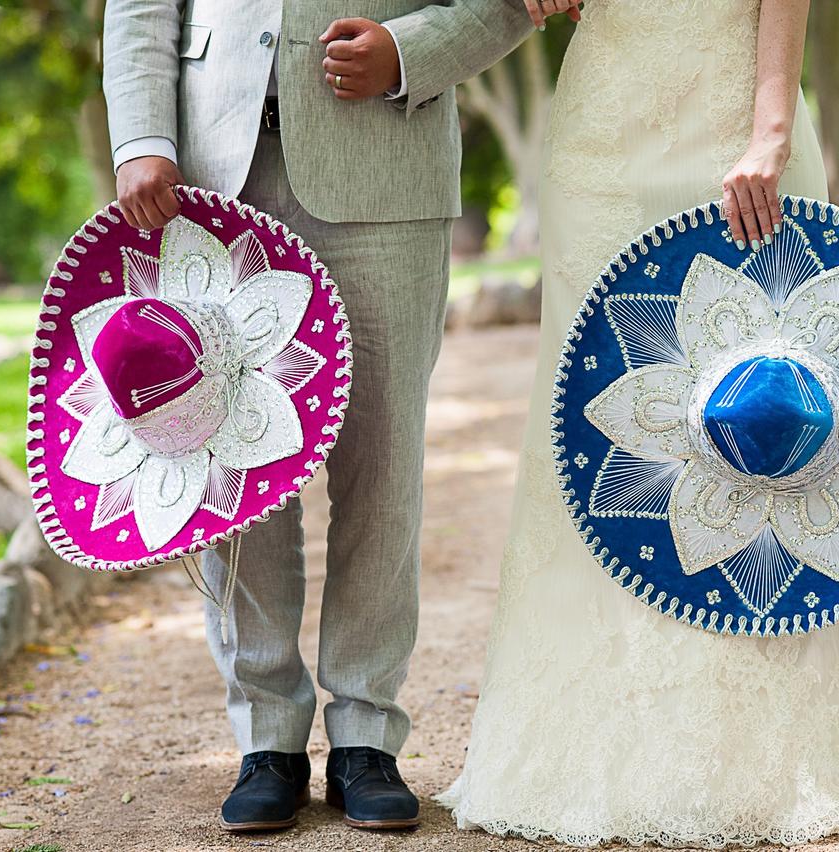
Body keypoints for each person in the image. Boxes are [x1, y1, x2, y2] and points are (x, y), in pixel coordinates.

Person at [439, 0, 839, 845]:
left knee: (768, 413)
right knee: (600, 430)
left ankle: (783, 757)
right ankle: (594, 746)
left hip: (739, 108)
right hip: (605, 125)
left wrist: (771, 124)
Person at [102, 0, 533, 833]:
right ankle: (266, 735)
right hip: (210, 175)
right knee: (236, 461)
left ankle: (367, 733)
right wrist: (142, 138)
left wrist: (410, 52)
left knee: (383, 458)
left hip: (386, 165)